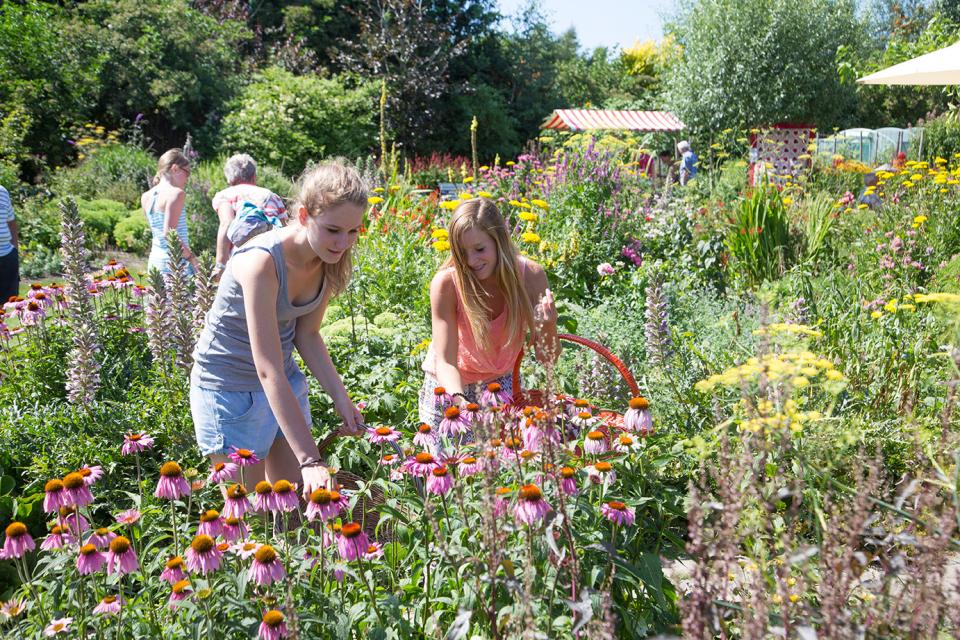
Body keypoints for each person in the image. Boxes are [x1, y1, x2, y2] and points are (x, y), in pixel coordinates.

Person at [190, 159, 366, 499]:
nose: (343, 242)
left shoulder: (329, 259)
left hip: (282, 383)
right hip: (230, 389)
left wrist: (342, 399)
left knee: (294, 504)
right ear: (303, 216)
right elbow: (265, 367)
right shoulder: (261, 263)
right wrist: (311, 458)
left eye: (353, 231)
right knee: (252, 514)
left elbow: (308, 336)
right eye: (333, 229)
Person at [419, 198, 559, 432]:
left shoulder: (530, 277)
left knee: (503, 465)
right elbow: (445, 361)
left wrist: (549, 326)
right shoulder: (447, 284)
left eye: (480, 249)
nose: (471, 261)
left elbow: (548, 359)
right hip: (451, 385)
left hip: (500, 385)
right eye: (462, 252)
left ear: (499, 241)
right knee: (450, 466)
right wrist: (459, 401)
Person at [211, 153, 287, 280]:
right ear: (254, 176)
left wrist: (220, 265)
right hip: (270, 260)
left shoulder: (224, 196)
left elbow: (226, 224)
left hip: (238, 263)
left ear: (229, 179)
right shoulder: (271, 196)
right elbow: (283, 230)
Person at [142, 149, 200, 275]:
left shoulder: (146, 196)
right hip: (175, 264)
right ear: (175, 169)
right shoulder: (176, 193)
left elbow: (157, 232)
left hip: (155, 262)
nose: (187, 178)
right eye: (187, 173)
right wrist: (192, 259)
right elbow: (169, 234)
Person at [0, 185, 18, 301]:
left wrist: (15, 250)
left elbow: (11, 223)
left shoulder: (2, 191)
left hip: (7, 256)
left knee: (5, 304)